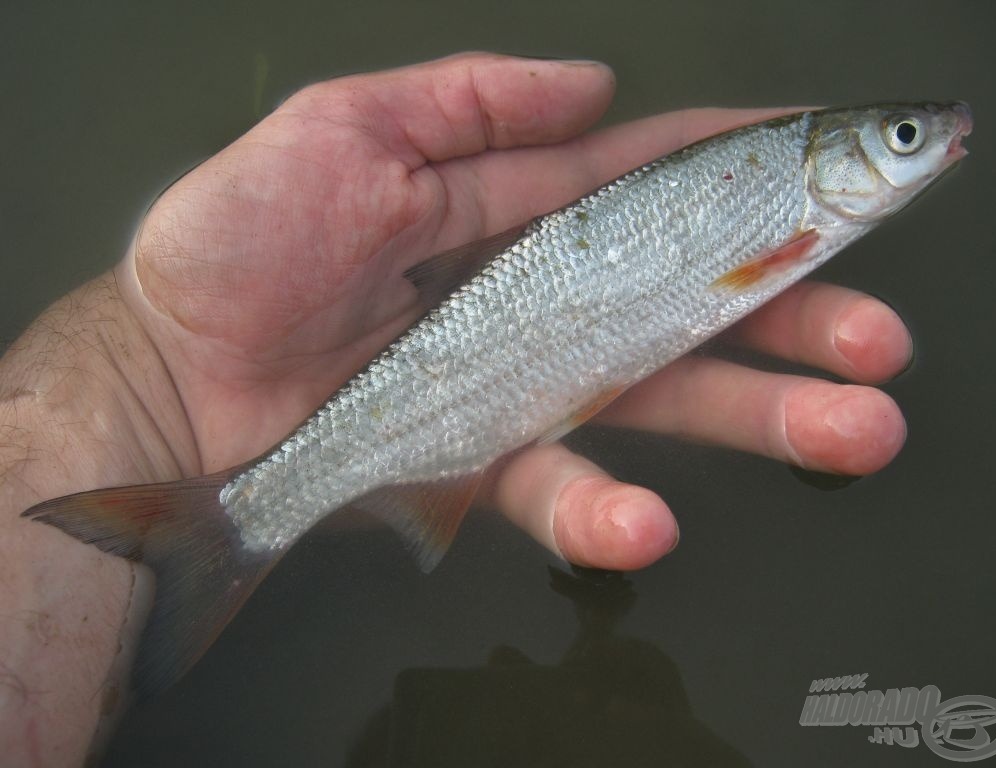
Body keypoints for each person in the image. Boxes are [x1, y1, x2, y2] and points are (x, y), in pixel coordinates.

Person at [0, 53, 911, 765]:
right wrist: (147, 362)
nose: (926, 147)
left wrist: (139, 368)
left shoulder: (788, 187)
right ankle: (235, 519)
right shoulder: (790, 202)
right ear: (836, 158)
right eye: (903, 138)